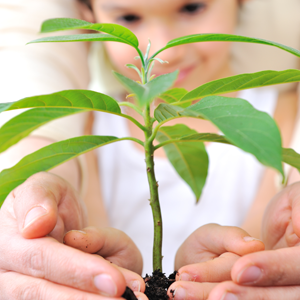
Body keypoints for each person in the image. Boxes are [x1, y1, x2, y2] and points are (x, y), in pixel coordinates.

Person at [0, 0, 300, 299]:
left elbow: (257, 250)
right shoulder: (87, 127)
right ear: (88, 17)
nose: (167, 53)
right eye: (129, 16)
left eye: (192, 8)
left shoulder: (281, 117)